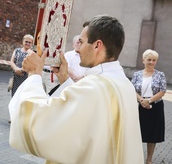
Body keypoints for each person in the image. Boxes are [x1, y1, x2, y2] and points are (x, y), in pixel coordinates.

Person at [9, 15, 144, 163]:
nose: (77, 49)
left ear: (97, 45)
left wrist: (34, 74)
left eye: (81, 41)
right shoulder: (123, 84)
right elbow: (89, 114)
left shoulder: (94, 87)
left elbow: (41, 126)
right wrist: (65, 79)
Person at [131, 49, 166, 164]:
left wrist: (149, 101)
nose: (151, 62)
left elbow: (162, 91)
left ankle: (149, 160)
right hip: (140, 106)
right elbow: (131, 89)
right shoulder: (137, 74)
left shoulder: (160, 75)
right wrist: (142, 100)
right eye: (149, 59)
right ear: (143, 60)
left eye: (154, 60)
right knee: (137, 132)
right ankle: (136, 157)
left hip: (155, 107)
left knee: (152, 134)